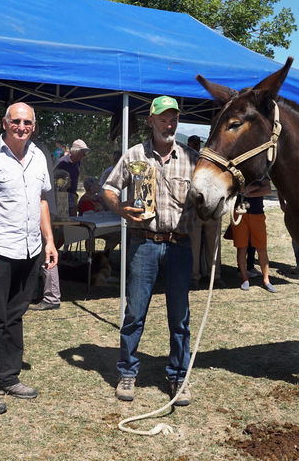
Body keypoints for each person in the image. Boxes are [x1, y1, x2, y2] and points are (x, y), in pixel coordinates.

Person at [101, 95, 197, 406]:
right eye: (163, 118)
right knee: (134, 313)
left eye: (173, 118)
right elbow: (109, 188)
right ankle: (128, 372)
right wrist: (120, 210)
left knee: (180, 317)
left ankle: (179, 377)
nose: (169, 123)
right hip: (144, 244)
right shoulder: (134, 155)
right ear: (151, 121)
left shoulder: (192, 158)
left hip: (180, 245)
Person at [0, 102, 58, 415]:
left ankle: (7, 376)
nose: (22, 126)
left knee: (16, 315)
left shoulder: (38, 156)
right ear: (4, 123)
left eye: (27, 122)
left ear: (34, 125)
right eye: (16, 121)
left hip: (30, 250)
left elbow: (42, 201)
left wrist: (49, 241)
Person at [31, 138, 90, 311]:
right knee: (56, 235)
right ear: (75, 151)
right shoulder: (62, 162)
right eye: (83, 152)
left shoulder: (74, 163)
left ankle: (49, 290)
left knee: (57, 236)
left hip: (65, 199)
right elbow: (57, 185)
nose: (84, 156)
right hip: (60, 199)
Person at [186, 135, 222, 288]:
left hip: (211, 209)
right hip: (194, 209)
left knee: (214, 244)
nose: (196, 145)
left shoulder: (207, 161)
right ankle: (195, 276)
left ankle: (215, 275)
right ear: (188, 144)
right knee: (194, 244)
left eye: (197, 143)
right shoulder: (185, 161)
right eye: (193, 143)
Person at [233, 178, 277, 292]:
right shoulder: (238, 171)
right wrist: (257, 188)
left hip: (257, 213)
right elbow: (235, 188)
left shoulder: (259, 171)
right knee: (241, 247)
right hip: (239, 212)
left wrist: (247, 192)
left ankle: (266, 280)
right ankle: (244, 279)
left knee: (262, 248)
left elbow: (267, 189)